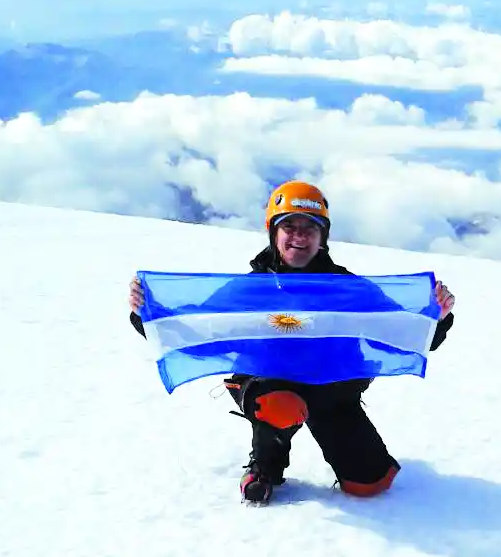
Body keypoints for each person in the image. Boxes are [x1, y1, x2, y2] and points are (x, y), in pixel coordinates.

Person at [128, 180, 455, 504]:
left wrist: (436, 318)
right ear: (273, 232)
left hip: (333, 392)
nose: (299, 237)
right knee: (281, 406)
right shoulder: (250, 290)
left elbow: (399, 330)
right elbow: (198, 328)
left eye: (310, 229)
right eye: (290, 226)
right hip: (269, 386)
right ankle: (265, 466)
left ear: (322, 237)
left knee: (371, 485)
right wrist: (147, 314)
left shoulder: (346, 289)